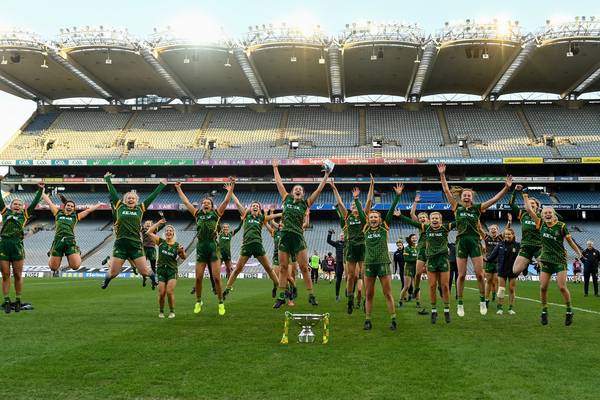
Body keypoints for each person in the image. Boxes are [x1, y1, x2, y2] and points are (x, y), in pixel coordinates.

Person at [438, 163, 512, 317]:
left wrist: (506, 187)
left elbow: (494, 199)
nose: (466, 196)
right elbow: (446, 190)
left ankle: (482, 301)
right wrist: (442, 175)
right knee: (462, 275)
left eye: (469, 195)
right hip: (461, 242)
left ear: (472, 198)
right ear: (461, 196)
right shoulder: (456, 207)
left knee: (480, 274)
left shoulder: (477, 208)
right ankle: (460, 303)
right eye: (464, 195)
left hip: (474, 242)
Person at [271, 159, 330, 308]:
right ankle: (281, 296)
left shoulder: (306, 203)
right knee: (284, 268)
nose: (298, 190)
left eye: (300, 190)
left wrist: (326, 176)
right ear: (292, 192)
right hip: (284, 237)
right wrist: (275, 167)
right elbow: (279, 183)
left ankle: (311, 295)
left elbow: (319, 190)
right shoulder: (287, 198)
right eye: (295, 189)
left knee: (304, 268)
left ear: (303, 194)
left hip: (298, 238)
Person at [175, 179, 234, 316]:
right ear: (201, 205)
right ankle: (198, 301)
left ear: (212, 206)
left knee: (217, 279)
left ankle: (220, 302)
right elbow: (186, 202)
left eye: (208, 203)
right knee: (198, 279)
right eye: (204, 203)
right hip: (201, 247)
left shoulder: (216, 214)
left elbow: (225, 202)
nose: (206, 204)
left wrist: (231, 189)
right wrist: (178, 189)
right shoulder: (197, 214)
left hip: (213, 248)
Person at [523, 191, 583, 326]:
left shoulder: (561, 226)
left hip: (559, 260)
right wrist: (525, 196)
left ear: (554, 215)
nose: (548, 214)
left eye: (550, 212)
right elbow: (529, 210)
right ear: (542, 216)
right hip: (546, 260)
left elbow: (570, 242)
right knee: (543, 287)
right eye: (545, 213)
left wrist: (579, 252)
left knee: (562, 287)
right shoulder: (540, 224)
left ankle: (569, 311)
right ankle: (544, 311)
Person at [100, 173, 165, 291]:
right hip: (121, 244)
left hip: (135, 245)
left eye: (133, 198)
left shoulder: (140, 208)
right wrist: (108, 179)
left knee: (144, 271)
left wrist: (161, 186)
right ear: (125, 200)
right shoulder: (119, 206)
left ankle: (154, 279)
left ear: (137, 200)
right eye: (129, 198)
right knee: (114, 273)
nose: (131, 199)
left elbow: (152, 196)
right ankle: (106, 281)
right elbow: (113, 192)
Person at [398, 201, 455, 324]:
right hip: (431, 259)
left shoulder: (446, 227)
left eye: (436, 218)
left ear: (440, 219)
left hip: (443, 259)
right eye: (433, 218)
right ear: (430, 219)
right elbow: (412, 221)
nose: (434, 220)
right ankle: (433, 311)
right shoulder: (425, 227)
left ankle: (446, 310)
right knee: (432, 286)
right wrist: (400, 216)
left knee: (445, 286)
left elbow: (459, 221)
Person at [356, 183, 402, 331]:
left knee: (387, 293)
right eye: (371, 217)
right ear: (368, 219)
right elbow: (361, 213)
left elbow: (390, 210)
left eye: (376, 217)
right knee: (368, 294)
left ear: (380, 219)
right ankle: (367, 320)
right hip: (369, 264)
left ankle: (394, 319)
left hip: (383, 263)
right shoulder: (365, 227)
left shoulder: (384, 226)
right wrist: (357, 200)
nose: (373, 219)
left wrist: (397, 196)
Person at [222, 195, 281, 301]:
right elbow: (237, 203)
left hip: (258, 245)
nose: (255, 207)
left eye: (257, 206)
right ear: (250, 208)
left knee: (269, 269)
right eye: (253, 205)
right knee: (237, 270)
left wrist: (282, 213)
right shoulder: (246, 215)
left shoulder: (261, 218)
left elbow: (273, 217)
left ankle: (279, 288)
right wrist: (231, 192)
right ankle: (227, 289)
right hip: (247, 246)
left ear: (259, 210)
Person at [329, 178, 373, 314]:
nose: (354, 206)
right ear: (350, 208)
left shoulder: (364, 215)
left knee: (365, 275)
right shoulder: (347, 217)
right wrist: (334, 188)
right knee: (350, 277)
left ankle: (365, 300)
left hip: (362, 247)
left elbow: (369, 201)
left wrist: (372, 185)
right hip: (350, 248)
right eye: (352, 205)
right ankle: (350, 300)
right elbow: (340, 202)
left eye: (356, 204)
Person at [1, 181, 44, 313]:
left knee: (18, 275)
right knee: (5, 275)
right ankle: (7, 301)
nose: (17, 206)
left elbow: (35, 203)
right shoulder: (5, 212)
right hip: (3, 246)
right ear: (11, 205)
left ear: (22, 207)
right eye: (15, 204)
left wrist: (40, 190)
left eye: (20, 204)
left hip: (17, 247)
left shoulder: (24, 215)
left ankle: (18, 300)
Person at [41, 191, 103, 272]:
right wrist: (41, 191)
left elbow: (88, 211)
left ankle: (77, 251)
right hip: (58, 241)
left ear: (73, 209)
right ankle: (52, 252)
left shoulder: (76, 217)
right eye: (68, 205)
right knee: (53, 268)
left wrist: (97, 205)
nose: (70, 207)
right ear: (64, 206)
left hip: (70, 241)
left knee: (75, 266)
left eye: (72, 206)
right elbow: (49, 202)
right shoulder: (57, 213)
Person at [145, 219, 186, 319]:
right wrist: (158, 223)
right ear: (165, 233)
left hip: (172, 271)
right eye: (167, 230)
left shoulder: (177, 245)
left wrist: (182, 251)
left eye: (170, 231)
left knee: (169, 292)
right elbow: (148, 232)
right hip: (161, 270)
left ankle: (172, 312)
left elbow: (183, 257)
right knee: (162, 293)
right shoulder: (160, 242)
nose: (168, 232)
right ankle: (161, 311)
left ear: (173, 233)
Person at [508, 185, 544, 277]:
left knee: (545, 271)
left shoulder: (541, 217)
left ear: (537, 206)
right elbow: (511, 204)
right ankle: (527, 263)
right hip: (525, 246)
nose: (531, 205)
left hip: (538, 246)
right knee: (515, 271)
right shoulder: (523, 214)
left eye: (533, 203)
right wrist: (515, 191)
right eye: (529, 203)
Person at [486, 227, 520, 315]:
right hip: (501, 269)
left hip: (513, 270)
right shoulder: (500, 244)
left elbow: (521, 258)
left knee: (512, 289)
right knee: (501, 289)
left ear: (513, 235)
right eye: (506, 234)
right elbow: (493, 255)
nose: (507, 236)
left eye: (509, 234)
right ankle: (500, 307)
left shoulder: (517, 245)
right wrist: (486, 259)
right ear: (504, 235)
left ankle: (510, 308)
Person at [408, 195, 429, 313]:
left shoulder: (432, 225)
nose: (422, 219)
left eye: (424, 217)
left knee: (432, 276)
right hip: (421, 251)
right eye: (420, 217)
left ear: (428, 219)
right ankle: (416, 288)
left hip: (432, 252)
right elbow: (411, 214)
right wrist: (415, 202)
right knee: (417, 274)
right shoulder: (420, 226)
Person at [483, 224, 503, 307]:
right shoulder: (486, 237)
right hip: (489, 261)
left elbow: (507, 230)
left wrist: (509, 222)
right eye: (491, 229)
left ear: (497, 230)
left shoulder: (500, 238)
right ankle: (486, 299)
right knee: (488, 281)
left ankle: (495, 296)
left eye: (494, 229)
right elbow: (480, 229)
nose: (493, 230)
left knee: (496, 281)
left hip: (498, 262)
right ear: (489, 230)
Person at [141, 218, 165, 288]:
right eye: (147, 224)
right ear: (145, 225)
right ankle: (144, 278)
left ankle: (153, 281)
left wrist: (163, 221)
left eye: (149, 224)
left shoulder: (154, 230)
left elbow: (162, 225)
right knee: (143, 267)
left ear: (152, 225)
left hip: (152, 249)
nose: (148, 225)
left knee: (153, 266)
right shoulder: (143, 229)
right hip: (144, 249)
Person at [398, 234, 418, 308]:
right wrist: (416, 260)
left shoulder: (418, 248)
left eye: (415, 238)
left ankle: (418, 303)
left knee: (417, 287)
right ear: (410, 239)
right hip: (408, 268)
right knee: (406, 286)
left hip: (416, 269)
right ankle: (400, 301)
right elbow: (406, 259)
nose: (414, 239)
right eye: (413, 238)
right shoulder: (407, 248)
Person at [326, 228, 345, 302]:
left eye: (343, 235)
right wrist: (329, 233)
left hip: (347, 263)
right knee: (338, 279)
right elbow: (328, 241)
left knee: (350, 278)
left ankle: (349, 292)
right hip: (339, 263)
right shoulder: (337, 243)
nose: (342, 236)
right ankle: (337, 295)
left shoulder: (348, 242)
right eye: (341, 235)